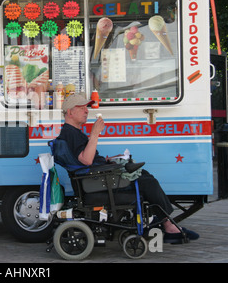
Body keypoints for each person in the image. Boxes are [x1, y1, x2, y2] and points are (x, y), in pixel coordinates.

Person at [57, 93, 199, 244]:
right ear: (70, 112)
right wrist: (95, 133)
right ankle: (169, 226)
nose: (86, 111)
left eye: (87, 108)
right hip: (95, 184)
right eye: (82, 108)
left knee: (144, 175)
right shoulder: (70, 134)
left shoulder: (71, 133)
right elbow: (86, 160)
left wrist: (109, 160)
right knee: (147, 183)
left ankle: (162, 221)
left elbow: (85, 159)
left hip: (95, 178)